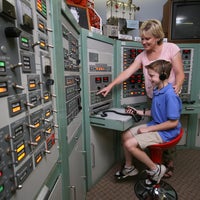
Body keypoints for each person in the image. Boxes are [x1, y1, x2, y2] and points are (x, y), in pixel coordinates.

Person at [97, 19, 185, 178]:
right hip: (155, 95)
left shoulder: (171, 48)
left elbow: (179, 72)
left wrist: (177, 85)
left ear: (157, 37)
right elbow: (127, 72)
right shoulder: (143, 55)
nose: (143, 42)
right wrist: (110, 85)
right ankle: (136, 166)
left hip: (169, 94)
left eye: (147, 39)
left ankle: (166, 164)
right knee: (157, 120)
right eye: (142, 38)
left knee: (167, 125)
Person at [115, 59, 182, 184]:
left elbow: (173, 123)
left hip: (166, 132)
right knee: (125, 135)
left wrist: (148, 129)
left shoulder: (170, 95)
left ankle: (155, 169)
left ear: (163, 75)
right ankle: (129, 168)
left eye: (151, 75)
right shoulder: (157, 90)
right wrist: (137, 112)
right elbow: (156, 112)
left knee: (130, 144)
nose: (149, 78)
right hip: (156, 125)